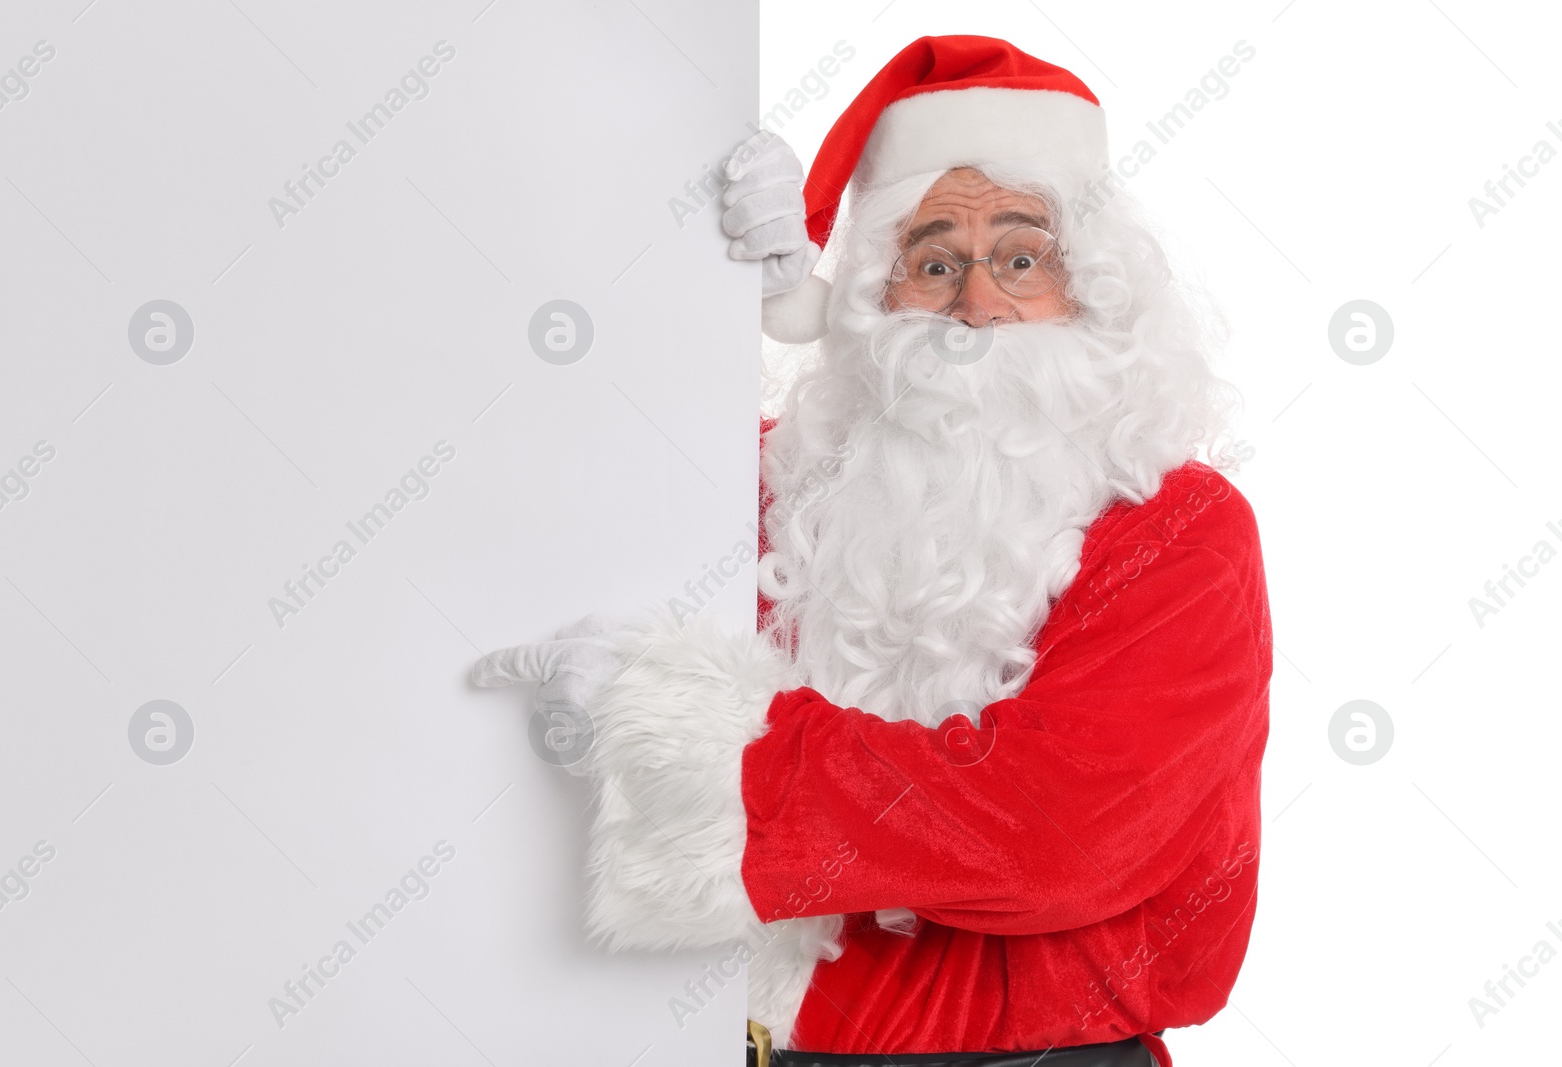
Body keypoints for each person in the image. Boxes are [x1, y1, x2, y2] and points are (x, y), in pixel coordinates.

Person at [473, 35, 1272, 1067]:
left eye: (1020, 257)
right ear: (872, 300)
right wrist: (677, 267)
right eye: (933, 262)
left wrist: (694, 734)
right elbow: (597, 448)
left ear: (1095, 286)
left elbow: (1048, 832)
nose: (976, 307)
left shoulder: (1180, 531)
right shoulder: (790, 487)